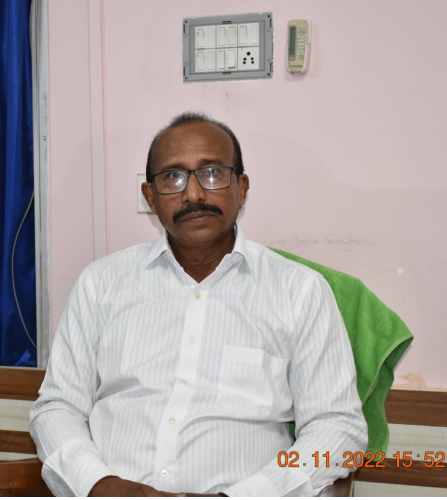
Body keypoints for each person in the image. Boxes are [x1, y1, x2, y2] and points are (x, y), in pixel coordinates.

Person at [30, 112, 368, 497]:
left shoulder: (299, 291)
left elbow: (337, 427)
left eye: (212, 173)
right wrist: (98, 484)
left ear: (242, 188)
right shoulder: (100, 284)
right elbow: (57, 407)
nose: (193, 195)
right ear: (150, 196)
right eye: (172, 177)